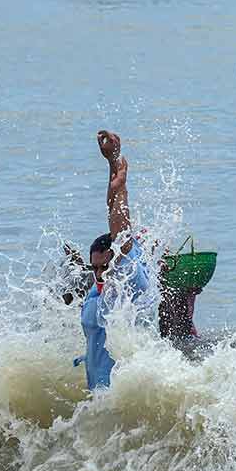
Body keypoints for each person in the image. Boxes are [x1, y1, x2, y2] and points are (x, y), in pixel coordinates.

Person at [76, 131, 153, 390]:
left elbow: (120, 234)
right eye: (94, 268)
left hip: (123, 396)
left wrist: (121, 181)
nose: (99, 274)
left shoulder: (129, 281)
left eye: (104, 267)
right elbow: (114, 208)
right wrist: (112, 165)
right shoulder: (97, 290)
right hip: (97, 397)